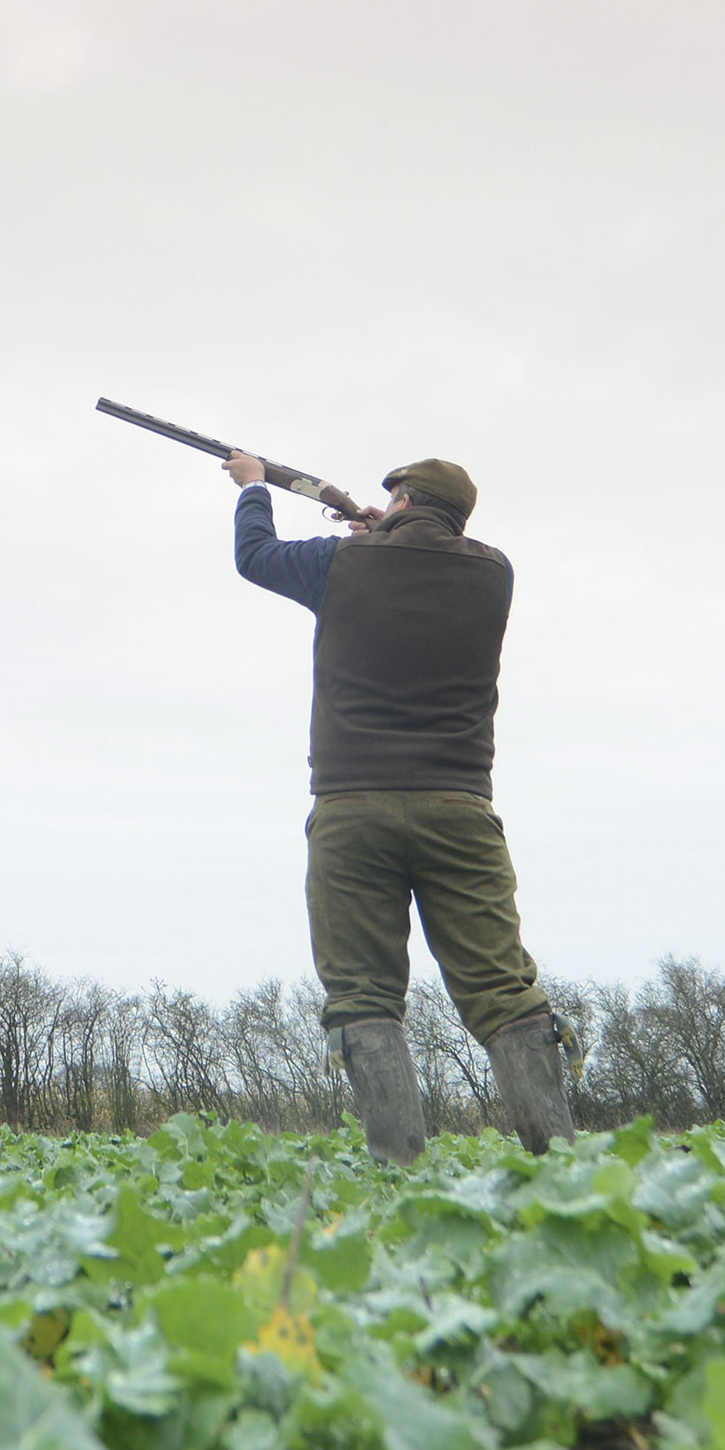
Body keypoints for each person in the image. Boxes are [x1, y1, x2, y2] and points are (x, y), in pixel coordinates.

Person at [224, 449, 572, 1162]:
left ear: (404, 502)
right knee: (503, 992)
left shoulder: (341, 566)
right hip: (459, 807)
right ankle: (562, 1165)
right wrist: (381, 529)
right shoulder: (491, 572)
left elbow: (254, 558)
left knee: (363, 998)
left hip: (352, 809)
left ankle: (398, 1174)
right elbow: (421, 557)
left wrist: (254, 488)